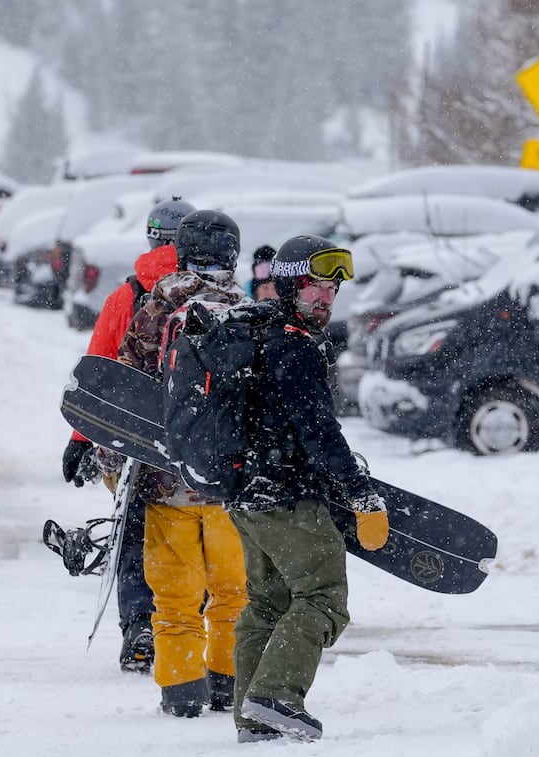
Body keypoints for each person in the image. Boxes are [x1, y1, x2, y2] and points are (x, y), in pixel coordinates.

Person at [226, 234, 389, 743]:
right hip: (286, 497)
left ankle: (253, 716)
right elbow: (319, 432)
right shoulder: (293, 347)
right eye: (316, 285)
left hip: (245, 495)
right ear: (292, 283)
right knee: (323, 598)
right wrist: (359, 492)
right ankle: (276, 696)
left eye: (333, 289)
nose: (326, 297)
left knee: (268, 603)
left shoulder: (257, 334)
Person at [103, 209, 250, 718]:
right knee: (234, 594)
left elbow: (124, 388)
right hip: (229, 486)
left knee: (175, 601)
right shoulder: (249, 311)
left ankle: (182, 693)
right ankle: (228, 685)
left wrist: (109, 460)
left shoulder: (155, 307)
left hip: (166, 483)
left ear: (181, 251)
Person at [60, 196, 196, 673]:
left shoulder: (126, 297)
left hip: (133, 443)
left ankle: (141, 623)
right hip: (197, 444)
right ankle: (190, 623)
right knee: (196, 535)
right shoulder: (219, 294)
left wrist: (80, 442)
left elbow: (97, 373)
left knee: (137, 533)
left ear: (152, 239)